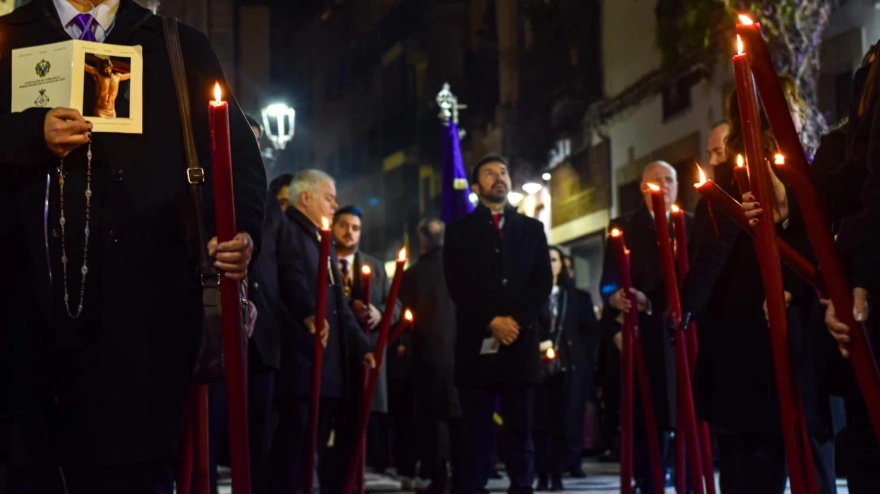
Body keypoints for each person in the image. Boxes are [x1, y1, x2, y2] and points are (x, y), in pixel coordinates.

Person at [0, 0, 267, 491]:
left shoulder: (177, 45)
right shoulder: (8, 35)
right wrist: (28, 135)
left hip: (144, 328)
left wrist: (241, 231)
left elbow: (240, 164)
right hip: (22, 323)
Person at [444, 155, 553, 493]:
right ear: (476, 187)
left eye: (504, 172)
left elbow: (541, 283)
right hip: (477, 347)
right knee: (476, 434)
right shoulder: (459, 231)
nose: (499, 178)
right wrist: (492, 320)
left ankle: (522, 487)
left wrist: (515, 321)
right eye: (490, 174)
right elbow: (457, 284)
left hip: (520, 345)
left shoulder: (532, 230)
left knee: (521, 433)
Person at [267, 170, 376, 493]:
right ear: (305, 198)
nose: (335, 204)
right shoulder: (288, 232)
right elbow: (291, 287)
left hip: (327, 367)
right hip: (300, 363)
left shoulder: (322, 240)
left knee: (311, 452)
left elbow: (338, 304)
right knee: (292, 452)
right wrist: (308, 319)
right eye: (329, 198)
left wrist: (362, 346)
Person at [599, 160, 692, 493]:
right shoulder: (624, 227)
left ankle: (688, 479)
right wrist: (618, 299)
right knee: (646, 414)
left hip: (682, 331)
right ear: (643, 187)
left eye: (670, 180)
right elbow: (609, 284)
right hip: (645, 335)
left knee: (687, 412)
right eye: (657, 180)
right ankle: (648, 480)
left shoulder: (690, 225)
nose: (664, 187)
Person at [330, 205, 402, 478]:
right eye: (344, 226)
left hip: (365, 355)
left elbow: (395, 304)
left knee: (357, 429)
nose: (350, 233)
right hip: (331, 357)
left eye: (356, 228)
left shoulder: (374, 266)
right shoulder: (321, 261)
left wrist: (379, 312)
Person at [400, 218, 462, 493]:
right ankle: (463, 477)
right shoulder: (462, 269)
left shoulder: (414, 274)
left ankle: (439, 478)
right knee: (461, 418)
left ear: (423, 240)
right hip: (462, 354)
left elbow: (405, 317)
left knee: (435, 420)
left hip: (429, 356)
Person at [533, 246, 592, 491]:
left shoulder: (578, 297)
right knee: (539, 425)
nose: (550, 264)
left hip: (568, 369)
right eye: (545, 260)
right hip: (538, 369)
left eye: (554, 259)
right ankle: (542, 474)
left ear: (561, 265)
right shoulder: (531, 296)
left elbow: (589, 334)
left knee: (563, 423)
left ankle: (558, 473)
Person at [560, 254, 600, 478]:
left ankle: (573, 459)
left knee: (575, 412)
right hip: (551, 363)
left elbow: (592, 332)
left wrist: (580, 355)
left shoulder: (581, 298)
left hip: (576, 363)